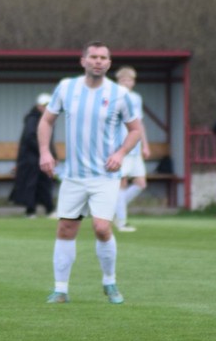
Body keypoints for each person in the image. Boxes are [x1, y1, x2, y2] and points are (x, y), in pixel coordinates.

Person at [38, 42, 142, 304]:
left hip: (105, 176)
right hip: (73, 176)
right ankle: (60, 289)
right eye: (93, 57)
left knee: (101, 227)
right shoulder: (66, 87)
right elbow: (47, 120)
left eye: (103, 57)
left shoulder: (120, 94)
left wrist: (119, 154)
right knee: (65, 228)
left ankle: (110, 282)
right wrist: (44, 152)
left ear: (109, 63)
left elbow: (135, 130)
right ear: (82, 60)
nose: (98, 61)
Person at [112, 66, 150, 232]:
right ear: (118, 81)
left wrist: (145, 144)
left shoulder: (136, 98)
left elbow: (139, 123)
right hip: (122, 146)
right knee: (122, 182)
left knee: (141, 183)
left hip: (136, 147)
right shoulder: (114, 97)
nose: (127, 82)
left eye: (130, 80)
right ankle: (121, 222)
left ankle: (113, 209)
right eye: (124, 80)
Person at [10, 93, 56, 218]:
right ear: (39, 106)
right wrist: (45, 153)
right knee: (31, 184)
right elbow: (30, 138)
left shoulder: (45, 120)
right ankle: (31, 211)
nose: (48, 108)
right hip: (30, 160)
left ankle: (49, 209)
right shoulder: (33, 119)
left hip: (39, 159)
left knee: (44, 184)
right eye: (45, 105)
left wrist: (52, 155)